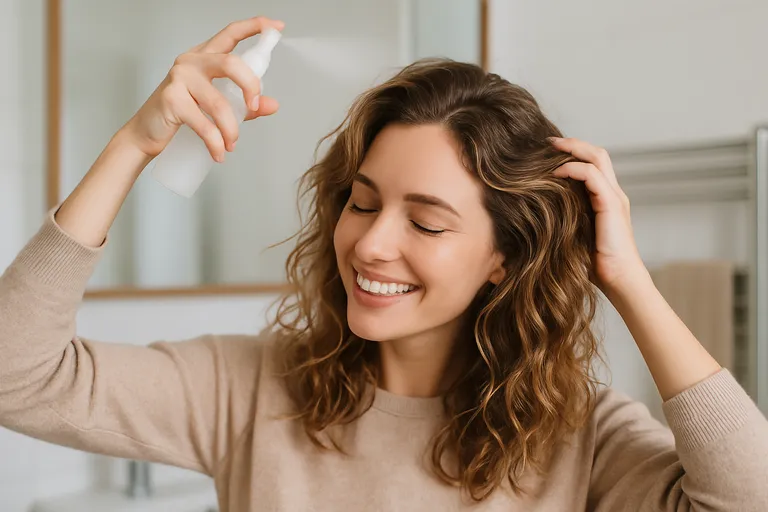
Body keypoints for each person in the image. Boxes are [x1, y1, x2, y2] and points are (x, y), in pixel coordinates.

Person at [1, 17, 766, 512]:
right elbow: (17, 376)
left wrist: (629, 282)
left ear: (504, 259)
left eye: (426, 222)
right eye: (362, 203)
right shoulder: (247, 391)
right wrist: (135, 143)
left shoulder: (581, 440)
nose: (369, 244)